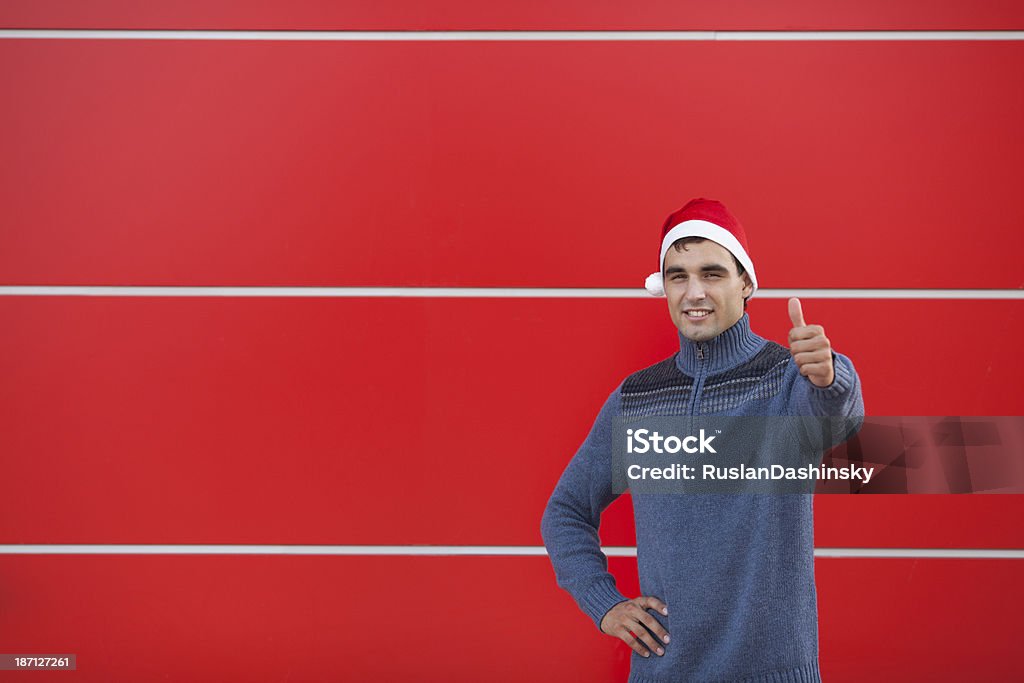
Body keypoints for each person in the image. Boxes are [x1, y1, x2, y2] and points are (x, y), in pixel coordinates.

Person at [540, 198, 864, 683]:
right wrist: (604, 604)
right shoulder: (637, 399)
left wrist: (830, 376)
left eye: (712, 274)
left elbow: (839, 424)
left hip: (774, 674)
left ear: (746, 283)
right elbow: (564, 513)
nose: (694, 292)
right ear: (664, 287)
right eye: (678, 275)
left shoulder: (786, 380)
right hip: (663, 673)